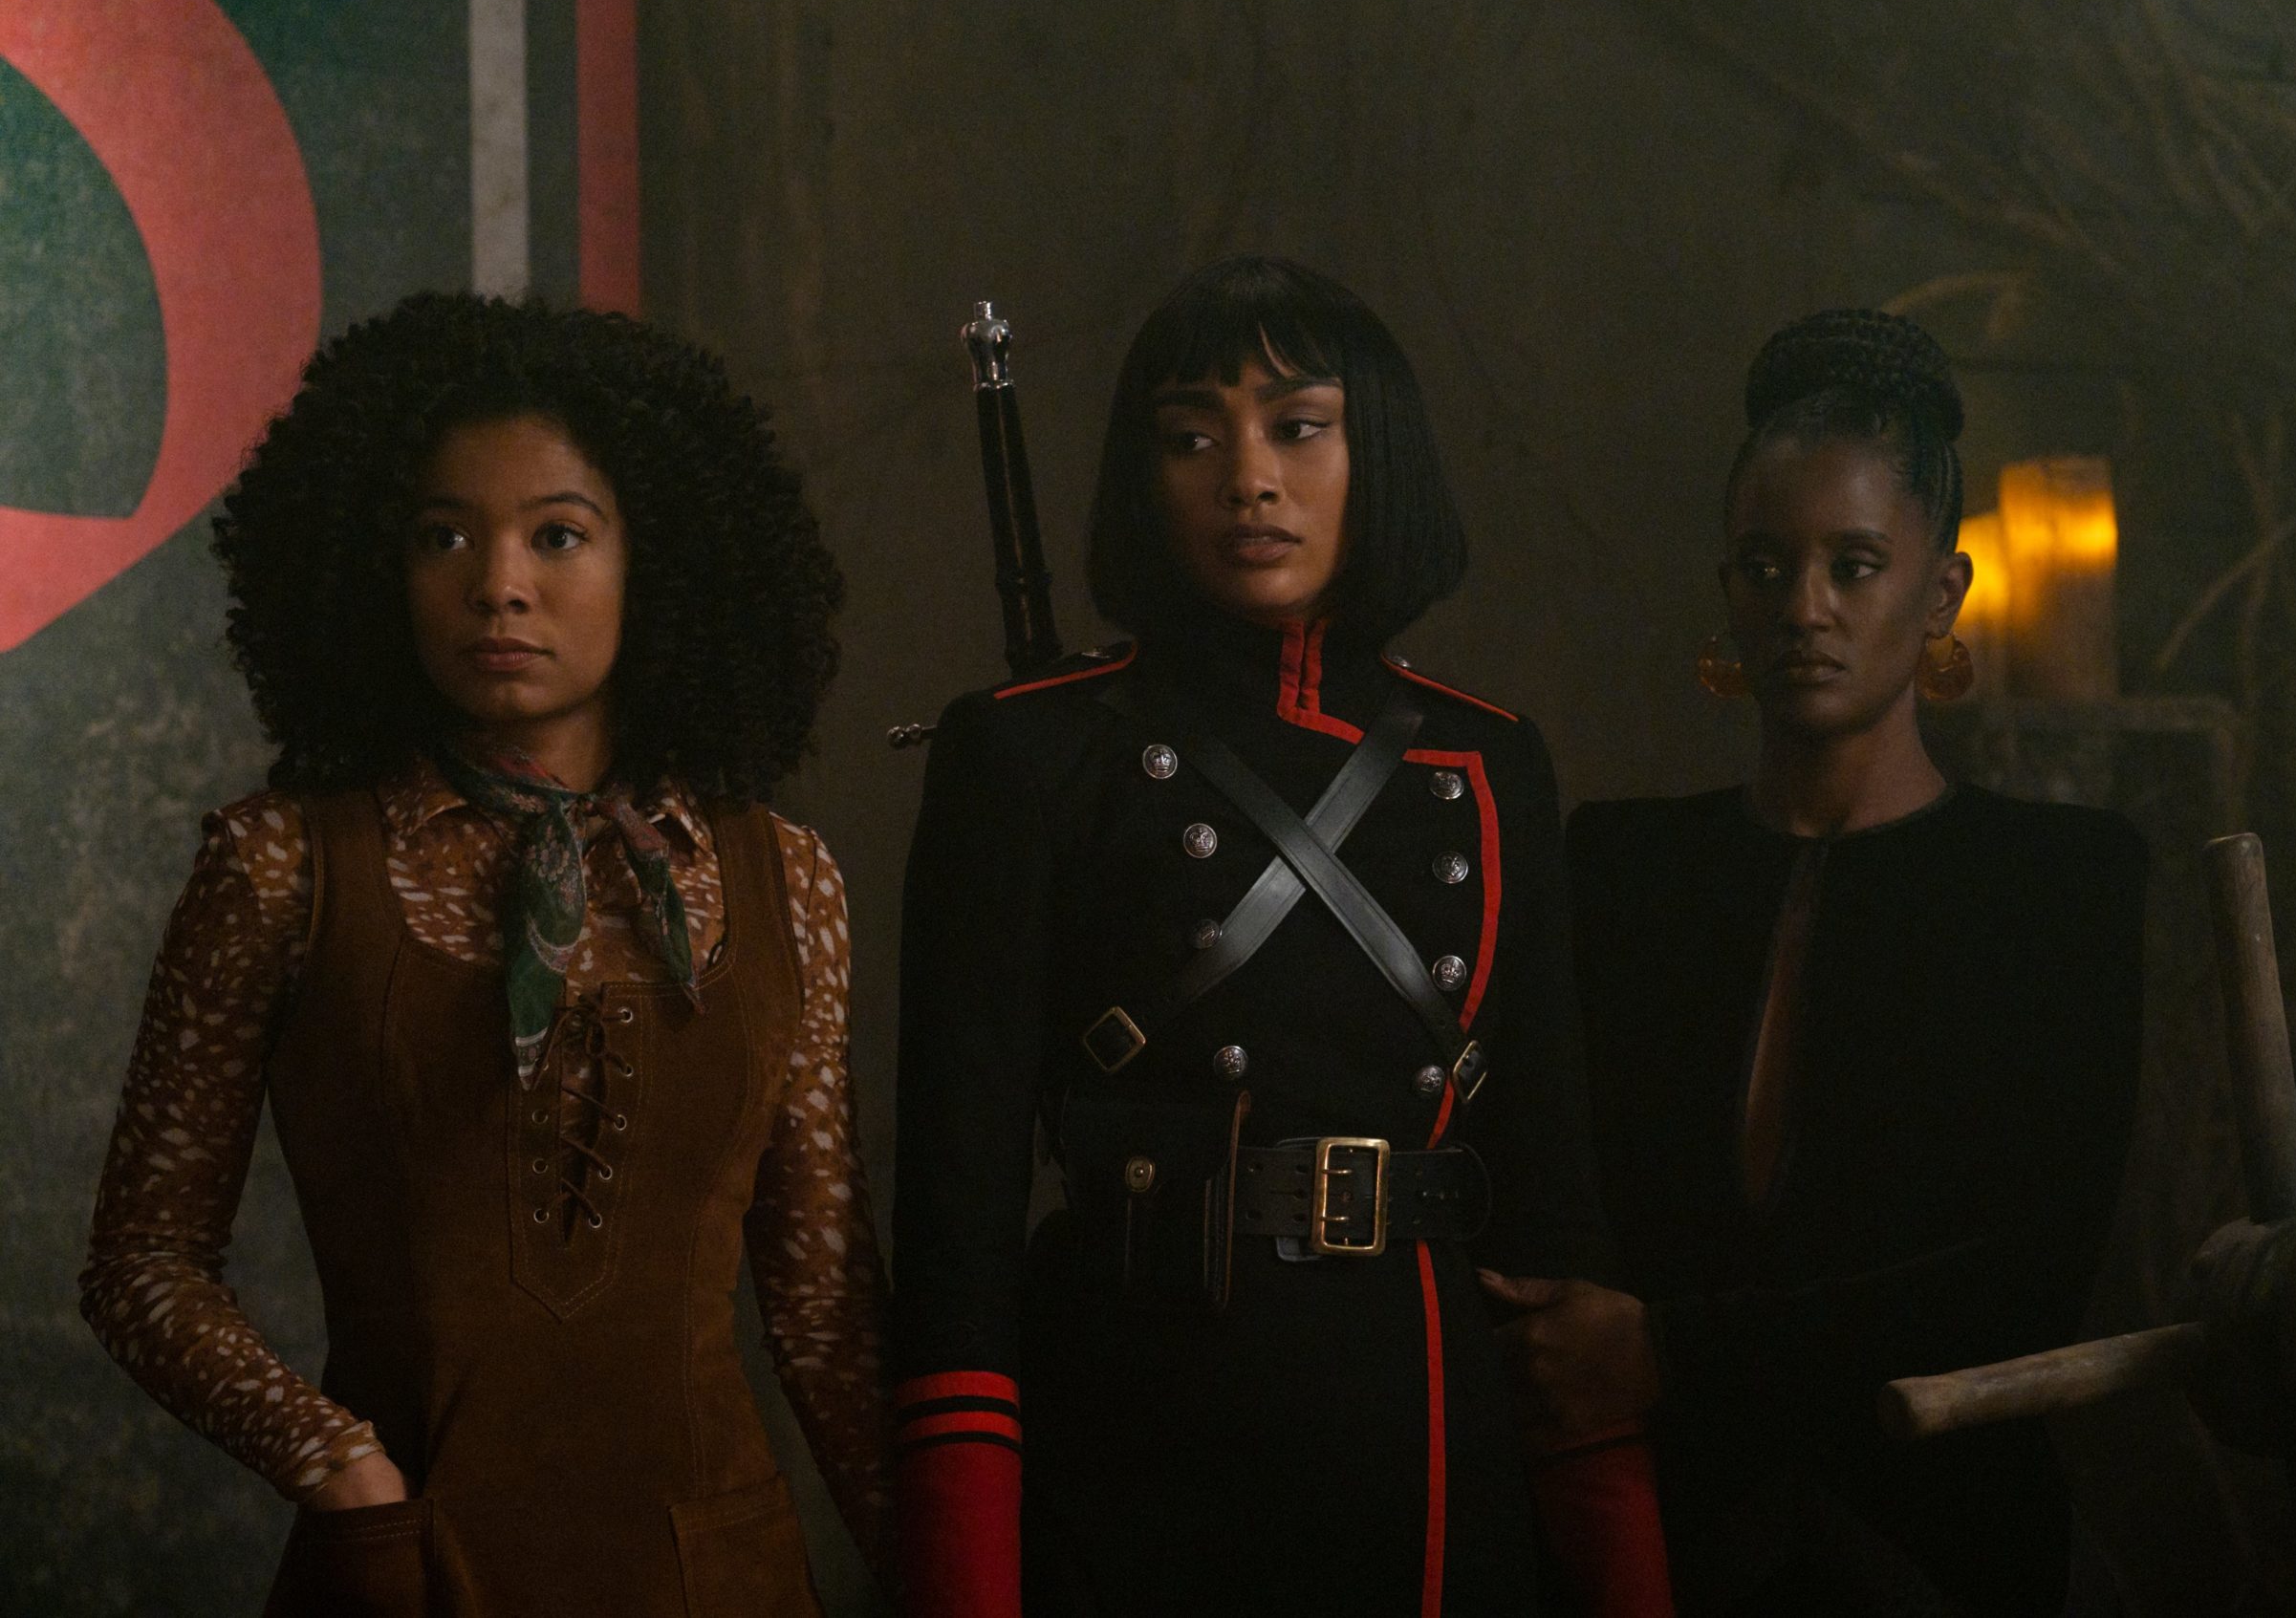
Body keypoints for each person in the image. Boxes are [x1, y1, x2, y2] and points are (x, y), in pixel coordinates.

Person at [77, 294, 889, 1616]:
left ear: (659, 561)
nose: (497, 583)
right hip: (410, 1570)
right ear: (375, 567)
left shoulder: (783, 876)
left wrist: (951, 1585)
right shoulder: (280, 866)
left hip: (715, 1579)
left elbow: (826, 1317)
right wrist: (336, 1464)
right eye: (442, 535)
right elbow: (141, 1267)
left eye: (558, 534)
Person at [890, 255, 1654, 1617]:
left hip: (1425, 1450)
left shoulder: (1495, 762)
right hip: (1129, 1438)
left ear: (1379, 452)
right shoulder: (1025, 753)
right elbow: (957, 1232)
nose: (1248, 479)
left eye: (1299, 427)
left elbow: (1554, 1223)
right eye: (1193, 437)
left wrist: (1626, 1581)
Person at [1486, 309, 2147, 1616]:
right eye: (1765, 565)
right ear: (1726, 587)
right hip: (1652, 1545)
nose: (1804, 609)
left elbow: (2028, 1279)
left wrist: (1672, 1353)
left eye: (1855, 566)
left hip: (1939, 1549)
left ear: (1942, 591)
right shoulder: (1619, 870)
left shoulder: (2058, 883)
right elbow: (1553, 1213)